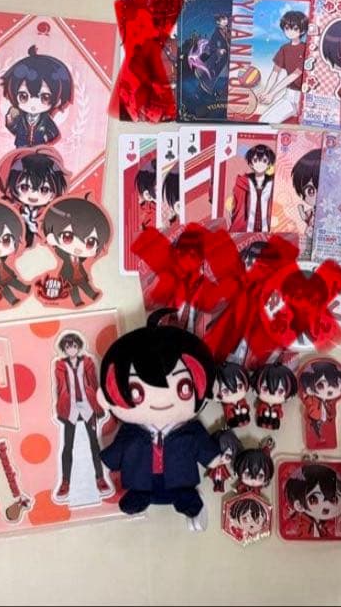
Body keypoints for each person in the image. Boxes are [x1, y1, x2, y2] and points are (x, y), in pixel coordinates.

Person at [99, 311, 224, 531]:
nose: (161, 401)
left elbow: (204, 448)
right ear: (106, 397)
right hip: (141, 482)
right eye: (136, 391)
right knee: (137, 495)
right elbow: (117, 450)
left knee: (185, 497)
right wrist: (105, 464)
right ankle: (141, 497)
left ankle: (189, 502)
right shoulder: (130, 432)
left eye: (184, 389)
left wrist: (215, 459)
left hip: (180, 481)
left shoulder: (191, 430)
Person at [53, 332, 110, 500]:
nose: (71, 349)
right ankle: (65, 482)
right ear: (64, 349)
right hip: (70, 407)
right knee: (67, 446)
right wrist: (61, 408)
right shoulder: (60, 365)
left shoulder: (87, 362)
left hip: (87, 406)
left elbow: (94, 382)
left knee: (95, 444)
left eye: (74, 346)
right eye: (68, 347)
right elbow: (60, 388)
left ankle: (100, 478)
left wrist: (98, 404)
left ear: (78, 347)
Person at [41, 196, 111, 307]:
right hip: (68, 276)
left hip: (81, 275)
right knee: (73, 290)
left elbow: (83, 259)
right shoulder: (63, 254)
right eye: (67, 237)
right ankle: (77, 302)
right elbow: (58, 251)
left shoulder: (81, 257)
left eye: (90, 242)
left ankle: (93, 295)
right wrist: (52, 241)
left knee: (85, 285)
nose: (78, 247)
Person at [1, 47, 73, 147]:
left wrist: (45, 138)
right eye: (23, 96)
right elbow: (15, 129)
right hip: (21, 147)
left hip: (39, 149)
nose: (33, 104)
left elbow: (54, 133)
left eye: (45, 97)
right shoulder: (21, 117)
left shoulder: (46, 119)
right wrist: (10, 122)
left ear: (57, 101)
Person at [259, 10, 310, 123]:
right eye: (287, 28)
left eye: (295, 29)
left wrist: (272, 94)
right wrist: (266, 92)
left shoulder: (307, 49)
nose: (290, 32)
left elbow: (294, 75)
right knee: (264, 120)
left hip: (306, 97)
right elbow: (274, 73)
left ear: (302, 31)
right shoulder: (284, 49)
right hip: (290, 95)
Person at [283, 463, 341, 539]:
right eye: (314, 499)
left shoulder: (334, 524)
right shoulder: (300, 524)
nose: (326, 503)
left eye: (334, 499)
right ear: (299, 505)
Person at [229, 144, 276, 232]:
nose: (260, 164)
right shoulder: (243, 182)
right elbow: (237, 205)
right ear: (250, 163)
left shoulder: (274, 183)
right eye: (255, 160)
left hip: (268, 228)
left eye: (264, 161)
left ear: (269, 163)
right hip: (247, 228)